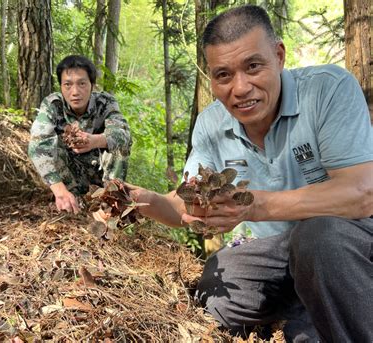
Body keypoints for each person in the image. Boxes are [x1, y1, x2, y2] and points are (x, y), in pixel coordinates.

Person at [130, 5, 373, 342]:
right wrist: (144, 201)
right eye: (223, 75)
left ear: (279, 55)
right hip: (277, 248)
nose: (240, 88)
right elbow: (188, 202)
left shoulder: (327, 89)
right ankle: (306, 314)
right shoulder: (211, 124)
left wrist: (253, 205)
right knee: (217, 289)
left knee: (318, 239)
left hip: (349, 235)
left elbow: (361, 194)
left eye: (253, 66)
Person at [28, 55, 132, 214]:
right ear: (61, 87)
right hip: (68, 177)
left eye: (82, 84)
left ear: (92, 85)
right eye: (67, 85)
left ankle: (111, 201)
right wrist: (59, 190)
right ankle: (71, 200)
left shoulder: (105, 102)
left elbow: (124, 135)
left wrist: (96, 141)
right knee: (48, 145)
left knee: (119, 146)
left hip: (100, 176)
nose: (75, 92)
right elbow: (37, 145)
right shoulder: (53, 104)